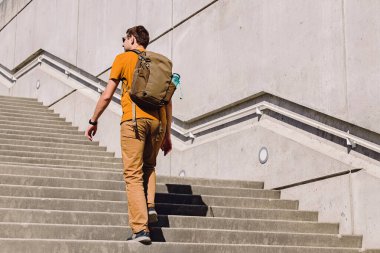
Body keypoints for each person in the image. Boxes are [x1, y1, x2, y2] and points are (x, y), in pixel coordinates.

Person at [85, 25, 172, 244]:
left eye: (124, 38)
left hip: (133, 122)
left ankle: (141, 230)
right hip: (157, 124)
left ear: (133, 39)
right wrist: (167, 134)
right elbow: (168, 102)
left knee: (132, 174)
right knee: (149, 167)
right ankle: (149, 205)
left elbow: (107, 96)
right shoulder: (156, 64)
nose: (123, 42)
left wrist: (93, 120)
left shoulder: (123, 59)